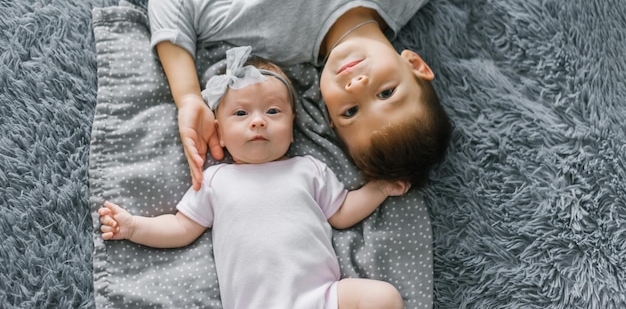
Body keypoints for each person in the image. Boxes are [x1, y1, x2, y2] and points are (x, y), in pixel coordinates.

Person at [147, 0, 451, 192]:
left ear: (327, 115)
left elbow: (170, 5)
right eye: (386, 93)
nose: (356, 86)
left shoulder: (276, 38)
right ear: (415, 64)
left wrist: (188, 98)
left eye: (350, 112)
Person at [98, 47, 409, 309]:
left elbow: (341, 213)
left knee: (385, 298)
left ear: (292, 125)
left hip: (322, 297)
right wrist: (134, 227)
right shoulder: (215, 180)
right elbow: (181, 227)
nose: (258, 121)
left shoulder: (309, 169)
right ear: (218, 129)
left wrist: (379, 188)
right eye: (241, 114)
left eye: (273, 112)